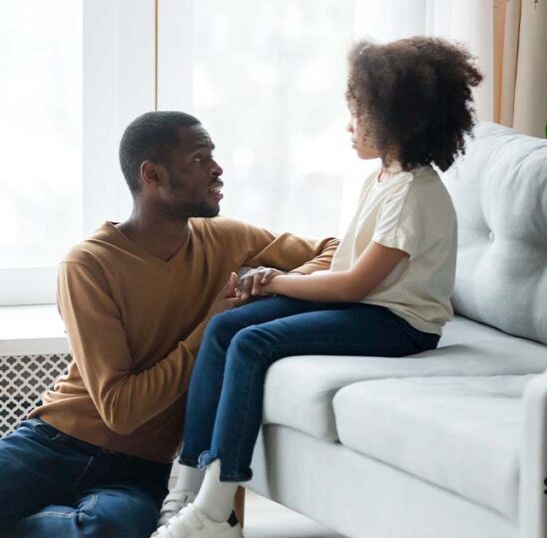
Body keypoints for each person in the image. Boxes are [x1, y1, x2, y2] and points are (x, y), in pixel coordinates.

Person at [0, 110, 338, 538]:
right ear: (153, 175)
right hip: (54, 445)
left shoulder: (232, 241)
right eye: (200, 159)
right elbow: (121, 410)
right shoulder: (89, 265)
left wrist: (269, 282)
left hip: (139, 470)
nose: (219, 170)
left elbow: (336, 252)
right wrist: (214, 324)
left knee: (116, 530)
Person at [152, 37, 483, 538]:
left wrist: (281, 280)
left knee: (252, 340)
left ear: (396, 119)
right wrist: (280, 284)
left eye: (357, 114)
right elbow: (350, 274)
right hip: (372, 307)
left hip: (401, 323)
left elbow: (354, 285)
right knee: (225, 328)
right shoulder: (385, 178)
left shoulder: (413, 195)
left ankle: (214, 511)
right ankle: (184, 486)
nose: (348, 127)